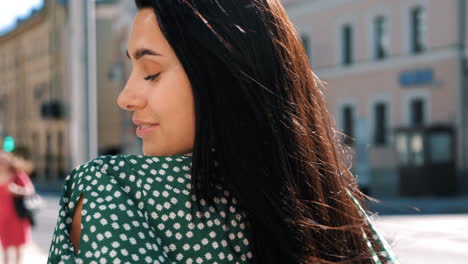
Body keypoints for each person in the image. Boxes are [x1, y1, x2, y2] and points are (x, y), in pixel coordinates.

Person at [48, 0, 399, 263]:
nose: (126, 97)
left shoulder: (112, 189)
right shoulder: (329, 200)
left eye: (150, 71)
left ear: (226, 76)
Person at [0, 151, 35, 264]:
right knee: (5, 247)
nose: (2, 164)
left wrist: (17, 190)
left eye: (4, 162)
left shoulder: (18, 175)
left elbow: (30, 191)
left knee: (17, 246)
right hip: (3, 218)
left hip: (17, 216)